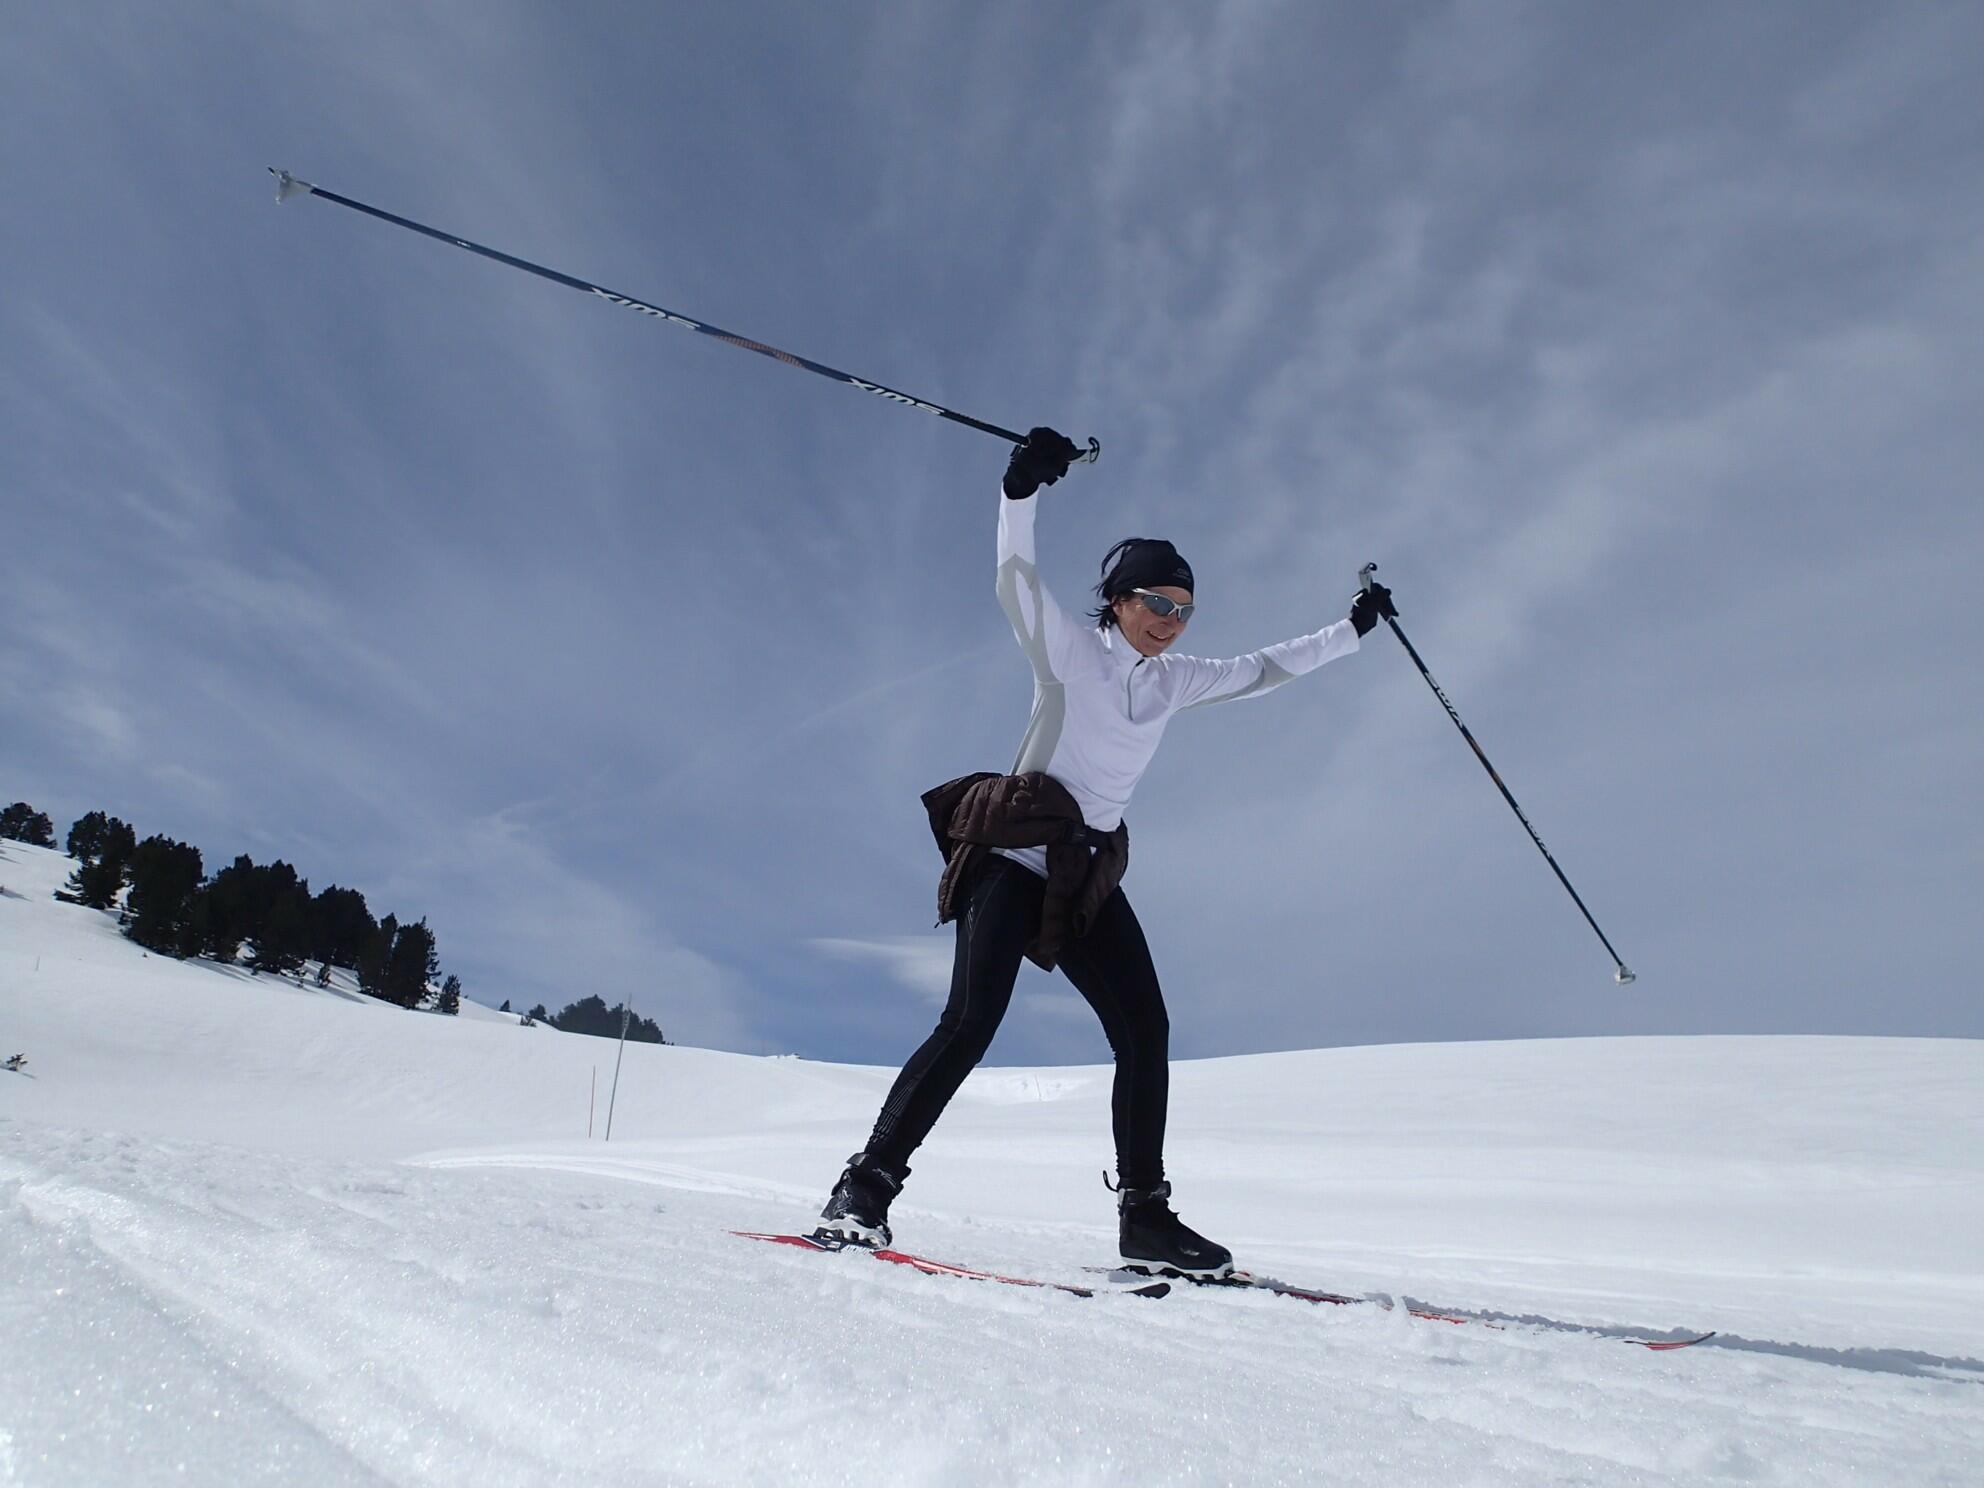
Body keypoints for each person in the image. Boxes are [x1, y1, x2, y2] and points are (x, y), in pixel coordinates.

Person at [814, 428, 1394, 1278]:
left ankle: (1145, 1218)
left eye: (1184, 610)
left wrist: (1353, 629)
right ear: (1119, 600)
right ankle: (863, 1189)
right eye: (1158, 602)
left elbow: (1265, 669)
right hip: (1012, 862)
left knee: (1145, 1030)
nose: (1171, 621)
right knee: (970, 1023)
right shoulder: (1070, 652)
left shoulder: (1173, 681)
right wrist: (1020, 491)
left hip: (1082, 877)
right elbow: (1015, 579)